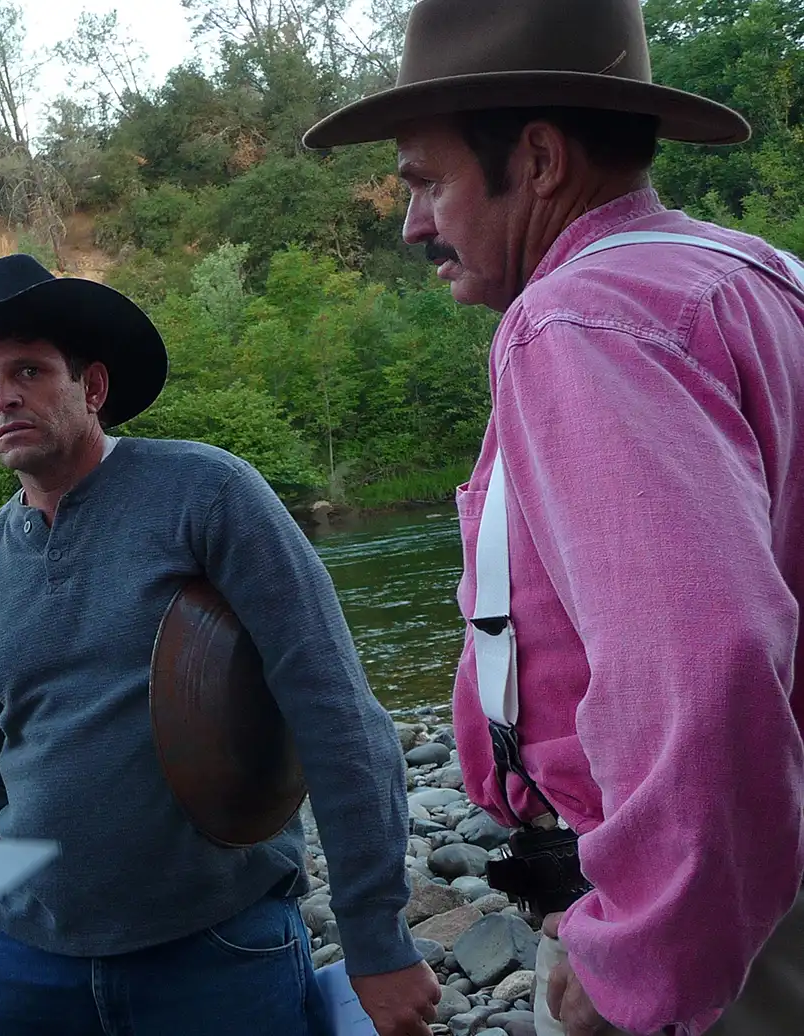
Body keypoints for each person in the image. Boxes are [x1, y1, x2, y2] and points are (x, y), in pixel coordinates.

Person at [303, 1, 804, 1033]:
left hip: (727, 926)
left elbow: (708, 664)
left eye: (428, 182)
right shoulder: (758, 275)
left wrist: (640, 949)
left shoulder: (577, 318)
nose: (413, 225)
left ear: (535, 159)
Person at [0, 253, 439, 1036]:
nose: (2, 395)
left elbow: (334, 712)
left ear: (92, 388)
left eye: (28, 370)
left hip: (217, 950)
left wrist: (376, 938)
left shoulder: (207, 495)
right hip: (30, 968)